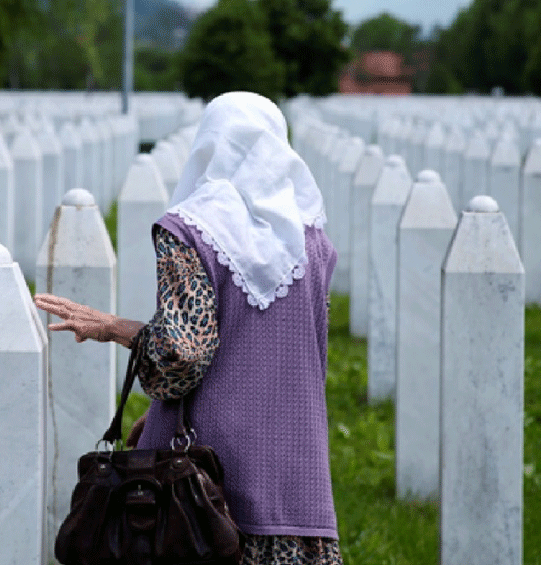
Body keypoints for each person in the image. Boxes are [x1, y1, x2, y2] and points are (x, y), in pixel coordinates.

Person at [35, 91, 343, 565]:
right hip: (297, 477)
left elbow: (181, 354)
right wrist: (163, 411)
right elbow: (300, 354)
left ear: (209, 142)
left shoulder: (191, 230)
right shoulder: (313, 239)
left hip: (201, 488)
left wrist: (113, 327)